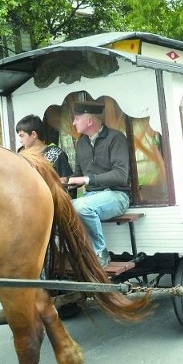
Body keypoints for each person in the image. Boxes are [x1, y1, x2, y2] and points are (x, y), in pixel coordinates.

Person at [67, 101, 131, 267]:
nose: (73, 123)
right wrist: (66, 182)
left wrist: (87, 180)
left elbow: (121, 175)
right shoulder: (81, 143)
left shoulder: (116, 138)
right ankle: (77, 254)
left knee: (80, 207)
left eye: (76, 119)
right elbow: (78, 174)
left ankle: (100, 252)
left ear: (89, 121)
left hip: (117, 195)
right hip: (90, 196)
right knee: (62, 209)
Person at [16, 114, 73, 184]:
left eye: (22, 136)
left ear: (34, 134)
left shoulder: (56, 154)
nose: (20, 140)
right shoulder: (21, 154)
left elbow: (68, 183)